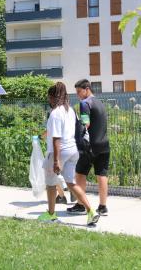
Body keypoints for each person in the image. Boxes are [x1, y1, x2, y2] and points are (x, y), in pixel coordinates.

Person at [38, 82, 100, 226]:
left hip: (59, 152)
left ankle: (51, 215)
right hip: (73, 151)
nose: (48, 100)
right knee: (71, 182)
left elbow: (56, 138)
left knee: (51, 184)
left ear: (53, 97)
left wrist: (56, 161)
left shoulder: (55, 113)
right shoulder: (70, 110)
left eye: (49, 97)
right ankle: (91, 211)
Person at [68, 79, 110, 216]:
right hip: (104, 145)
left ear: (87, 89)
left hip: (90, 146)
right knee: (101, 174)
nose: (78, 95)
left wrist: (77, 128)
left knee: (80, 174)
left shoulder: (85, 103)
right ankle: (103, 207)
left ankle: (80, 205)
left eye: (79, 91)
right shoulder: (99, 103)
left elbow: (86, 123)